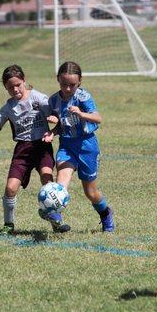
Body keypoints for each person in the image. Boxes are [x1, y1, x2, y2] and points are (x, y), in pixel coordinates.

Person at [0, 65, 69, 235]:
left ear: (24, 80)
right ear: (5, 87)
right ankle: (8, 224)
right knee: (10, 188)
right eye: (10, 87)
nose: (15, 89)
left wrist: (53, 118)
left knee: (47, 181)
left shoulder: (39, 98)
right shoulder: (9, 107)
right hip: (22, 150)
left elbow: (57, 116)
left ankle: (56, 221)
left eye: (17, 85)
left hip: (42, 146)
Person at [43, 61, 114, 233]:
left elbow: (98, 118)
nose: (67, 89)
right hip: (67, 146)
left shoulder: (83, 97)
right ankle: (56, 216)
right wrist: (53, 132)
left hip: (87, 146)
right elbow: (63, 125)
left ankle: (106, 214)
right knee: (61, 180)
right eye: (64, 84)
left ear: (80, 81)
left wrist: (81, 113)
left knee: (91, 193)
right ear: (58, 79)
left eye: (72, 85)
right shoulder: (54, 100)